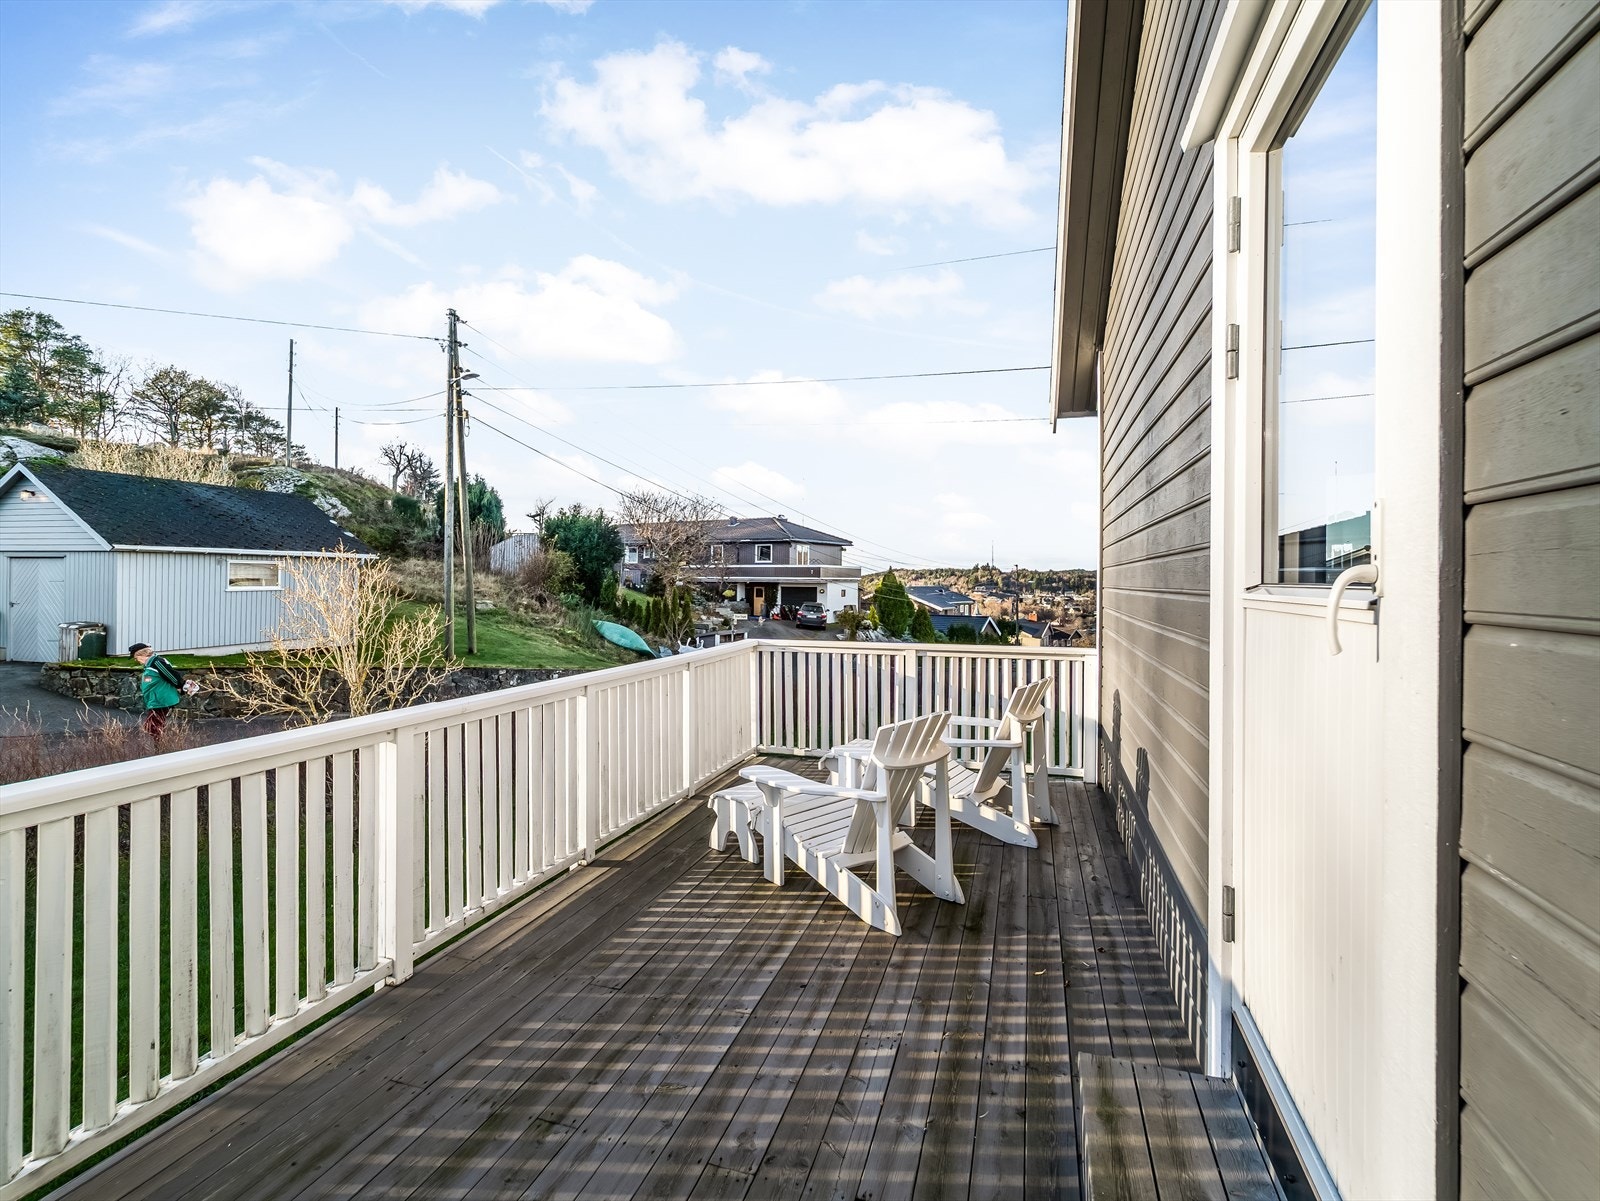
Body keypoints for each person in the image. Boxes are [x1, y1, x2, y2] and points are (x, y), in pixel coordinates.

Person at [129, 643, 189, 741]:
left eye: (136, 657)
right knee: (154, 726)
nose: (136, 660)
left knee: (152, 727)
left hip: (160, 701)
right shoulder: (150, 664)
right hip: (156, 700)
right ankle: (160, 746)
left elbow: (172, 675)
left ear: (142, 655)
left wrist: (181, 686)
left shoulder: (157, 663)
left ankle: (161, 748)